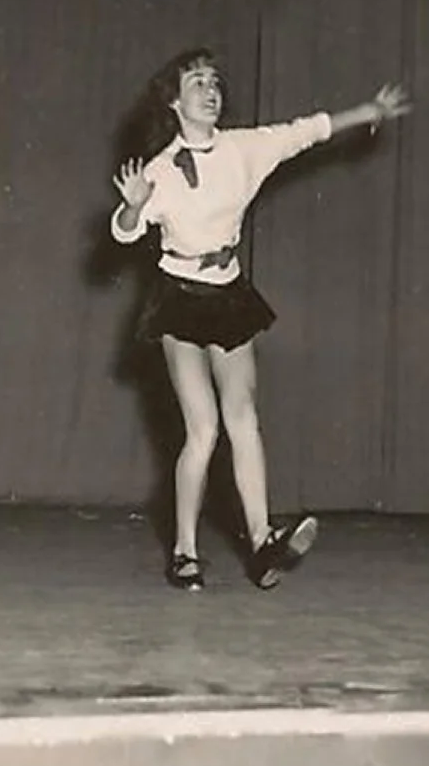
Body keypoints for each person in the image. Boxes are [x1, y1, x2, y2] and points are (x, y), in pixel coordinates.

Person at [111, 48, 410, 592]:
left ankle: (262, 539)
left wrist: (367, 112)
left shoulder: (245, 148)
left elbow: (307, 131)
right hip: (178, 297)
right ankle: (184, 551)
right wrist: (133, 206)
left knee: (243, 416)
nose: (210, 89)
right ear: (176, 102)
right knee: (202, 430)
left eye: (215, 81)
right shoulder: (160, 169)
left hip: (228, 295)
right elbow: (125, 231)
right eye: (197, 82)